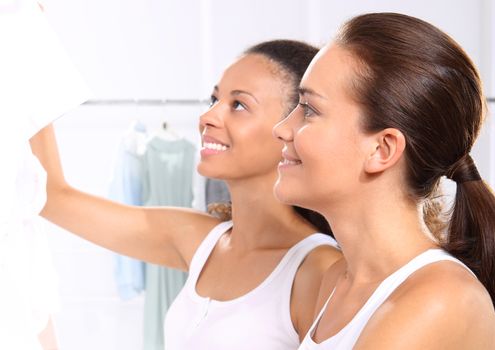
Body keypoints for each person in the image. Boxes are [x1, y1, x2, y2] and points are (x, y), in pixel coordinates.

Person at [30, 39, 341, 349]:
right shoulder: (201, 241)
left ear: (290, 130)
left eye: (239, 105)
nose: (208, 117)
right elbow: (51, 195)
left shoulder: (318, 269)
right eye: (214, 99)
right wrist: (28, 42)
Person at [273, 13, 495, 349]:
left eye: (309, 109)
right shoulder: (335, 283)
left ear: (381, 149)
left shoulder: (440, 301)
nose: (282, 128)